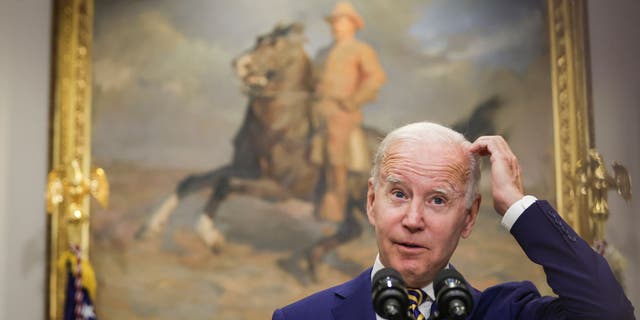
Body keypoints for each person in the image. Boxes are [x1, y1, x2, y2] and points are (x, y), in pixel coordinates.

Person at [272, 122, 635, 319]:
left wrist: (517, 206)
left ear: (469, 217)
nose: (413, 219)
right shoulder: (299, 319)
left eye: (438, 200)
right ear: (371, 202)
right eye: (399, 194)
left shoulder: (505, 312)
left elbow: (609, 313)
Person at [311, 1, 386, 222]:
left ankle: (336, 207)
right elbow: (314, 78)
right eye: (334, 22)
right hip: (317, 109)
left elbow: (376, 78)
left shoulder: (361, 50)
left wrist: (353, 100)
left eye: (341, 21)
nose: (336, 26)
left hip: (342, 112)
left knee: (335, 152)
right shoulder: (323, 52)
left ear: (353, 24)